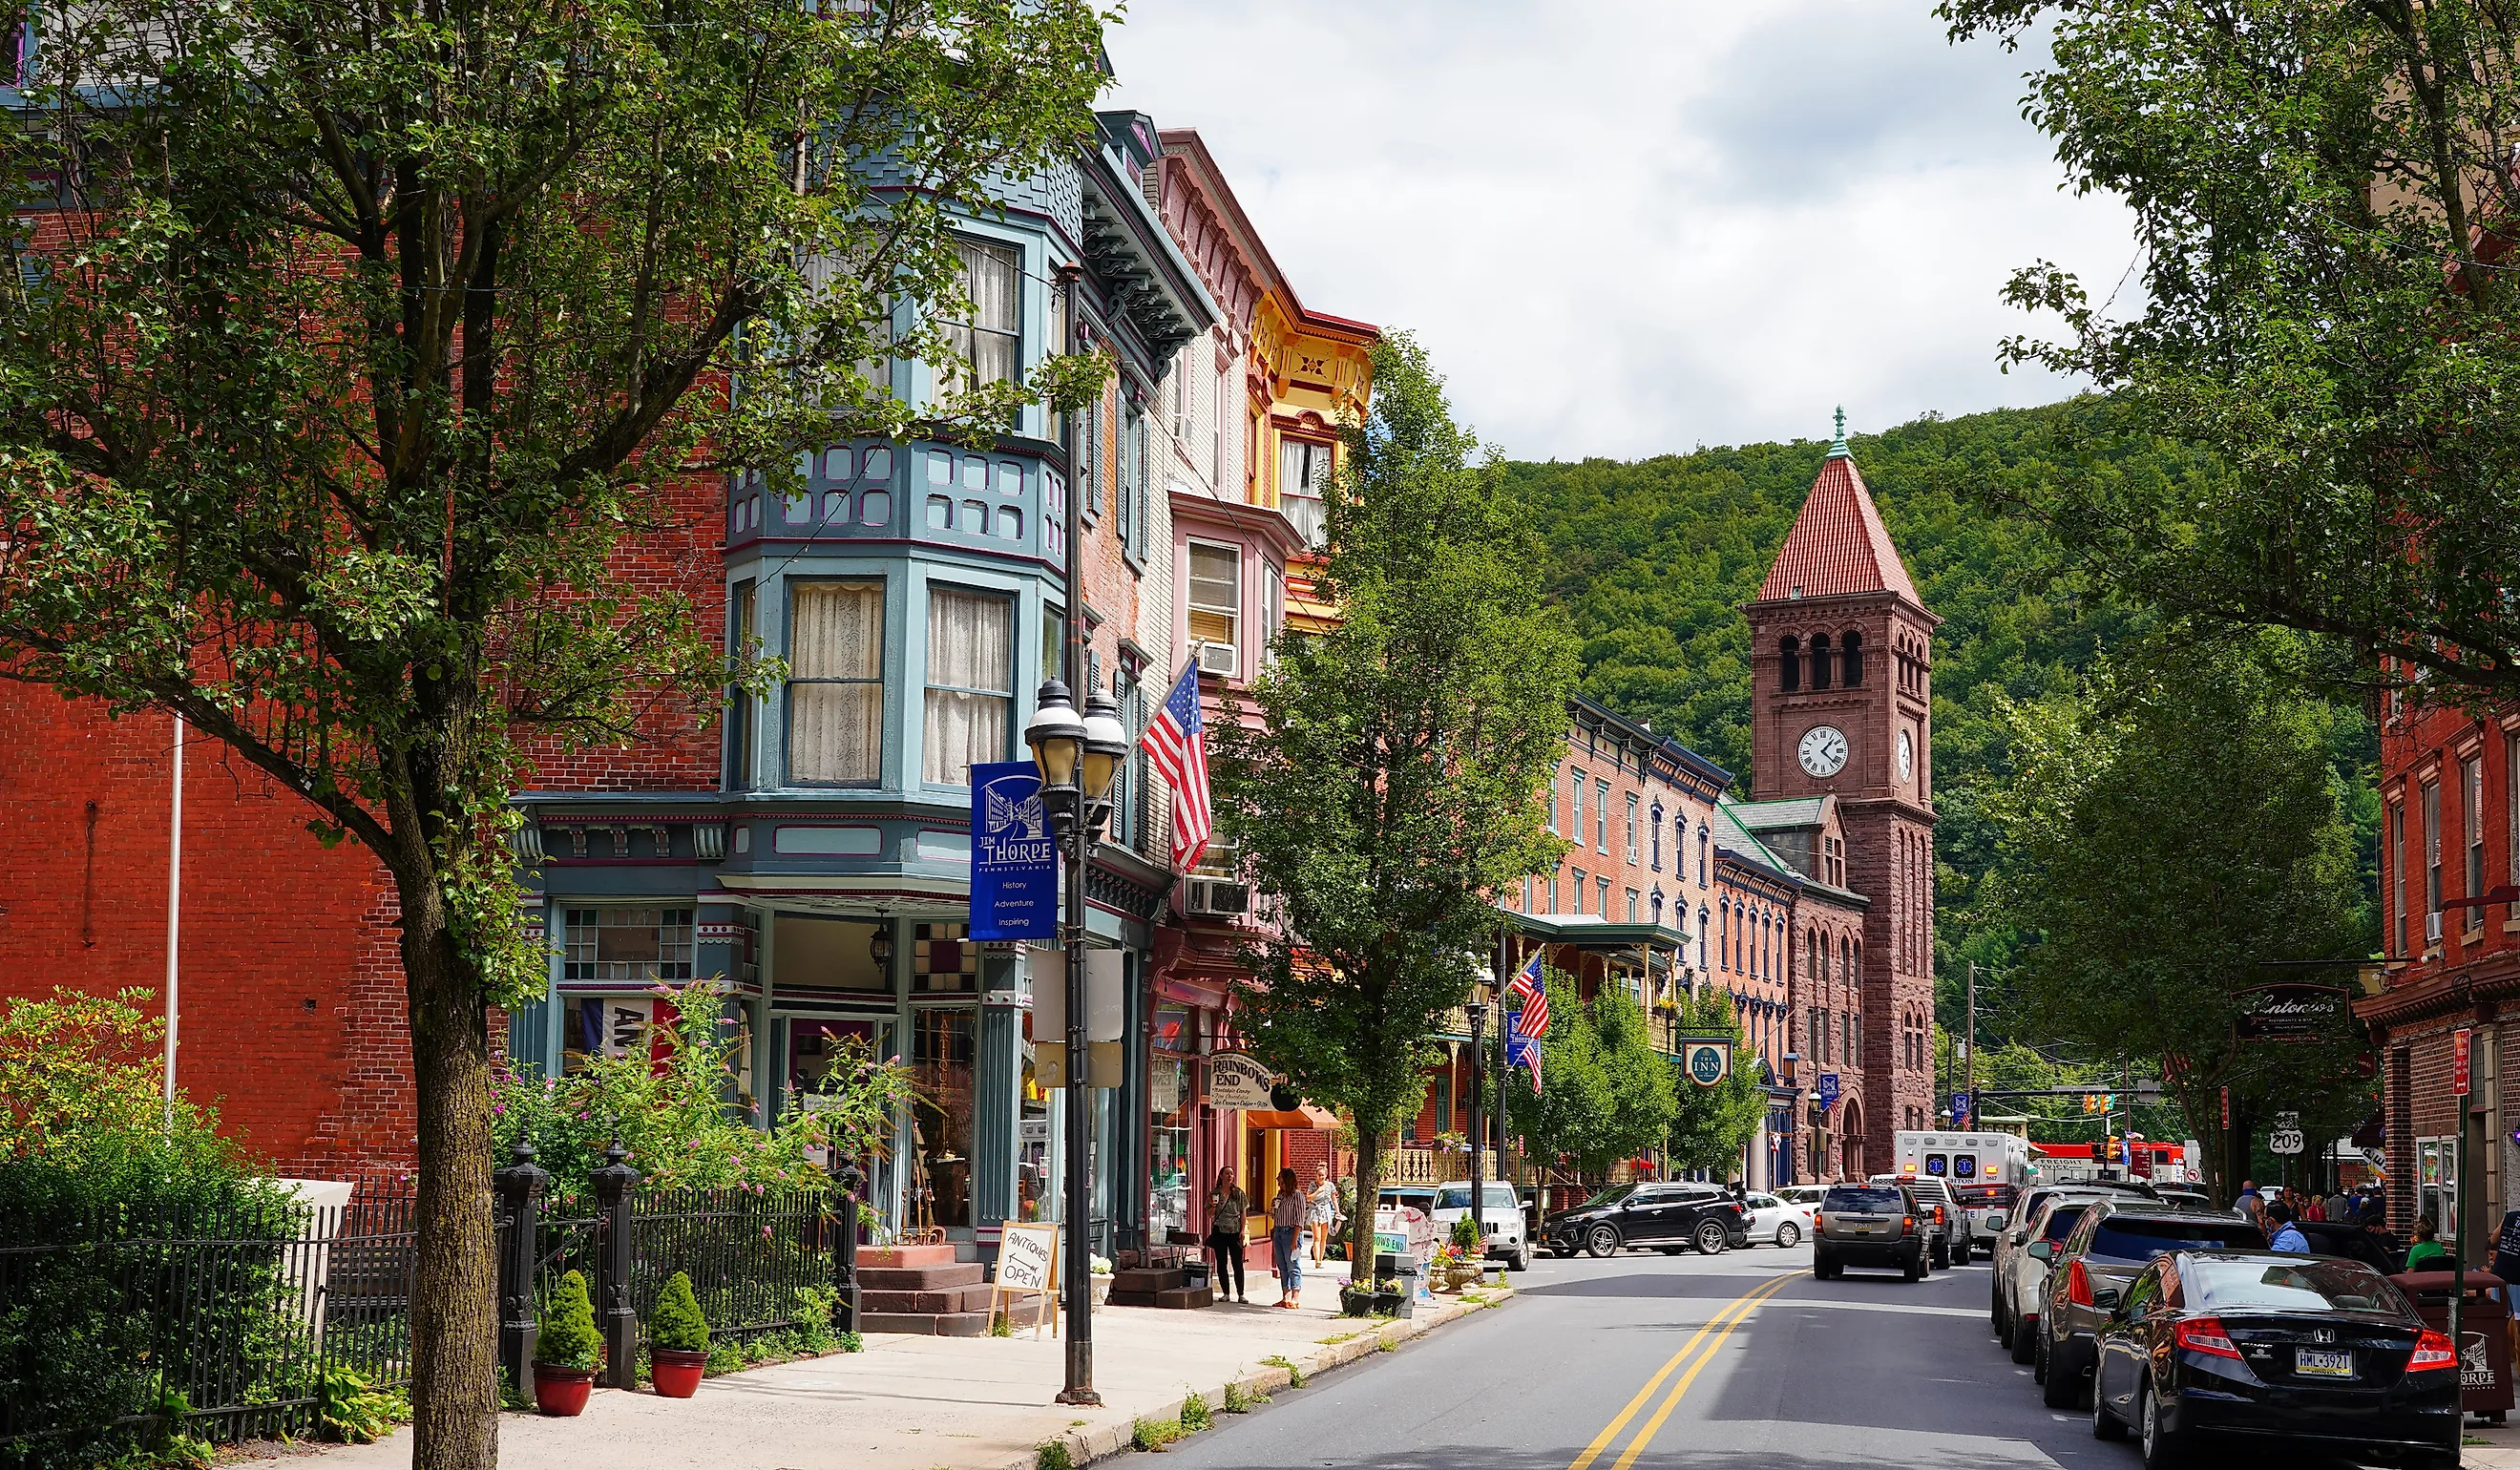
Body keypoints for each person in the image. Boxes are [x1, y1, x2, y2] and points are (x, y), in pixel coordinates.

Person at [1207, 1166, 1249, 1304]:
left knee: (1237, 1263)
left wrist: (1243, 1230)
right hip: (1220, 1231)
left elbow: (1243, 1213)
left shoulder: (1238, 1193)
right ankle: (1226, 1293)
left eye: (1231, 1174)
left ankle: (1241, 1293)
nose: (1229, 1176)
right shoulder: (1215, 1193)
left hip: (1234, 1230)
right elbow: (1209, 1215)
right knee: (1221, 1262)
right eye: (1226, 1173)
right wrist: (1213, 1206)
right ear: (1221, 1176)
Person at [1270, 1167, 1307, 1310]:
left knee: (1293, 1265)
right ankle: (1285, 1296)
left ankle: (1295, 1298)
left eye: (1279, 1177)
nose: (1277, 1180)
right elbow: (1275, 1215)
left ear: (1286, 1179)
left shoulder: (1297, 1195)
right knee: (1282, 1266)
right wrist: (1273, 1208)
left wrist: (1294, 1240)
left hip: (1291, 1232)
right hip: (1279, 1231)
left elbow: (1299, 1219)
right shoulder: (1280, 1196)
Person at [1305, 1164, 1337, 1265]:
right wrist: (1318, 1191)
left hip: (1326, 1211)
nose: (1321, 1177)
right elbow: (1308, 1198)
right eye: (1319, 1175)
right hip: (1315, 1211)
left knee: (1324, 1238)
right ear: (1316, 1175)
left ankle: (1321, 1259)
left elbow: (1334, 1199)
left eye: (1323, 1175)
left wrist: (1338, 1211)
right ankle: (1317, 1260)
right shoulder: (1312, 1185)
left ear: (1326, 1175)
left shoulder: (1330, 1185)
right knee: (1317, 1237)